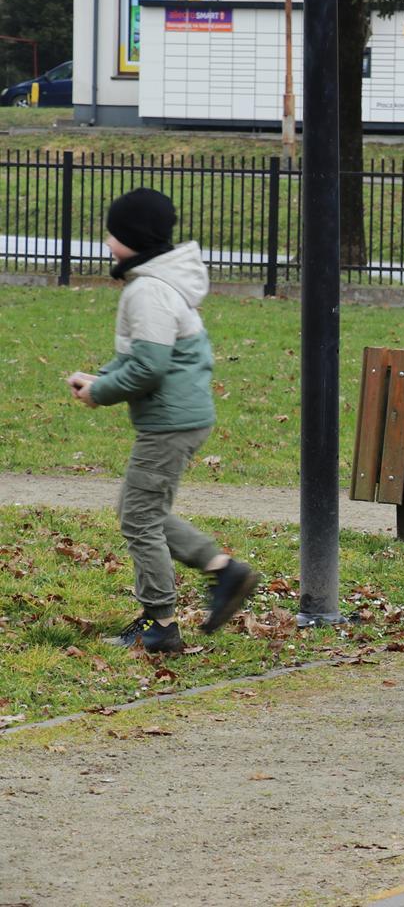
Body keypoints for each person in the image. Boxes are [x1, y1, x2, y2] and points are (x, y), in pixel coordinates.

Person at [67, 189, 259, 654]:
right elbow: (139, 357)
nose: (107, 240)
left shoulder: (148, 289)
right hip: (178, 418)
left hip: (169, 424)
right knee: (141, 514)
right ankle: (216, 574)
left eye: (113, 232)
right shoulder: (156, 281)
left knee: (139, 520)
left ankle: (164, 623)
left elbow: (150, 367)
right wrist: (102, 377)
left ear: (134, 236)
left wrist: (101, 392)